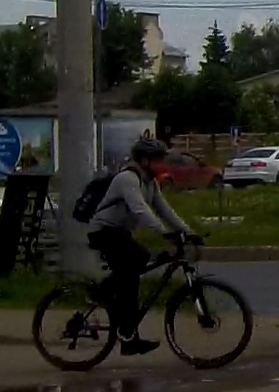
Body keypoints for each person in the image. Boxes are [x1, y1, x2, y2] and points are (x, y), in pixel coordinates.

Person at [75, 134, 196, 351]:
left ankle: (126, 331)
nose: (162, 164)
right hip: (103, 231)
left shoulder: (150, 183)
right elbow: (140, 210)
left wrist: (188, 232)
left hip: (119, 233)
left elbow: (165, 210)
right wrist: (164, 233)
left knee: (131, 275)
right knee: (136, 261)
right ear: (144, 160)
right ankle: (107, 303)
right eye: (158, 159)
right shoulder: (128, 179)